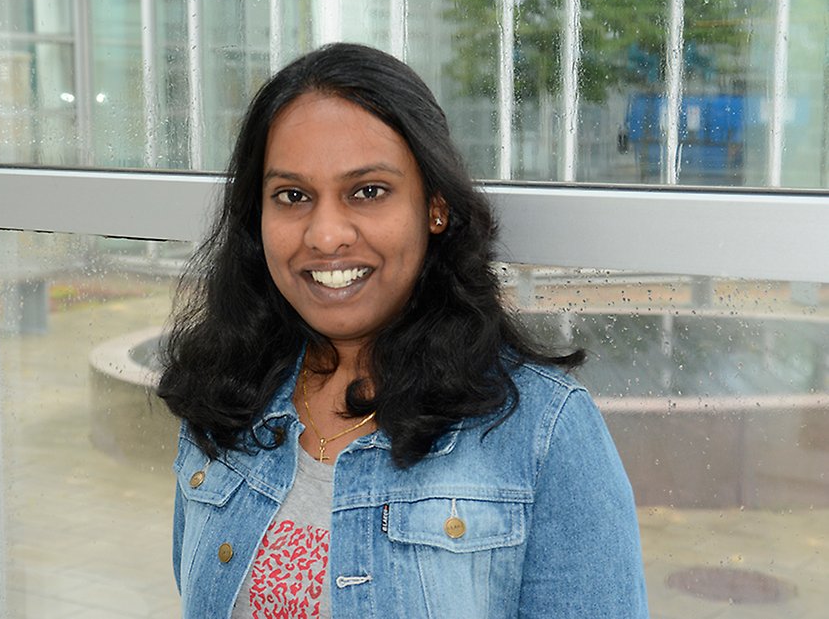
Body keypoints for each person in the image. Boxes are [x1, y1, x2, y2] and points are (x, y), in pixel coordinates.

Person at [158, 42, 648, 618]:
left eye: (367, 191)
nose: (326, 235)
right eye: (292, 196)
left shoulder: (542, 432)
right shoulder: (228, 396)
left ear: (434, 206)